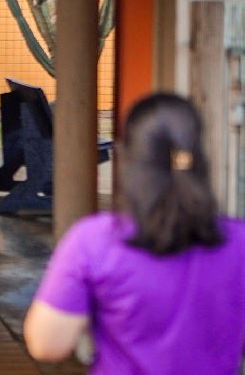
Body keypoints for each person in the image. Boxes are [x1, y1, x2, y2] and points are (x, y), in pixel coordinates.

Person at [23, 93, 245, 374]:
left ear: (128, 159)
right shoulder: (238, 244)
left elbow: (47, 345)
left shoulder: (93, 242)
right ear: (200, 156)